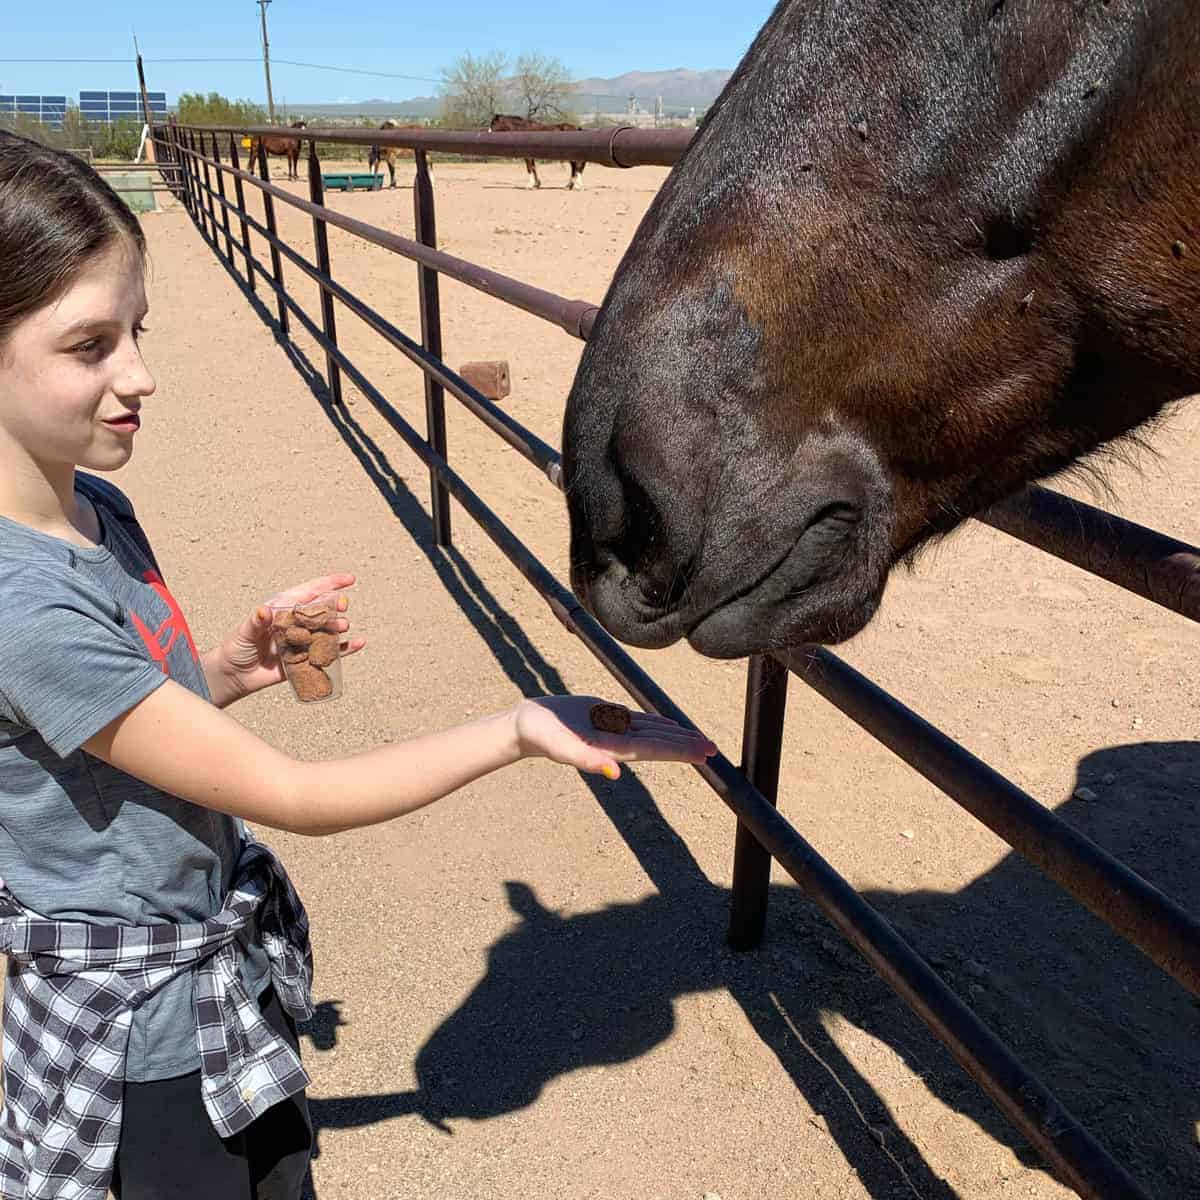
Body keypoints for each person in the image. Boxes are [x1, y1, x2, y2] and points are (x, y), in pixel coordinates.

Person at [0, 131, 716, 1200]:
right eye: (90, 343)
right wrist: (519, 728)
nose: (139, 374)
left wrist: (229, 670)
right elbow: (295, 795)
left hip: (209, 972)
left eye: (137, 331)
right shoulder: (21, 604)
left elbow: (107, 730)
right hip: (144, 1041)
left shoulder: (93, 505)